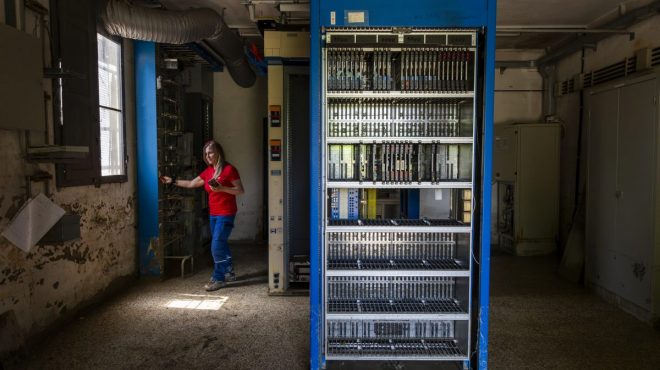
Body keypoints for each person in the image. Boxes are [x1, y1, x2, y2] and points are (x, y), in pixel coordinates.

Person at [160, 140, 244, 291]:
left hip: (226, 213)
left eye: (210, 152)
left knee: (216, 245)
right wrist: (172, 181)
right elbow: (192, 183)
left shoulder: (229, 170)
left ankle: (219, 278)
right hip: (214, 214)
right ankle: (229, 271)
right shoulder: (209, 171)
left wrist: (222, 188)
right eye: (205, 154)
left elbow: (240, 190)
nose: (208, 156)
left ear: (219, 152)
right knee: (221, 243)